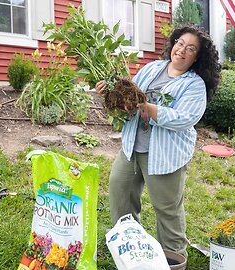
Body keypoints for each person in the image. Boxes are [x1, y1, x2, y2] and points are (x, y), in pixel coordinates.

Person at [95, 24, 221, 259]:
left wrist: (149, 108)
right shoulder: (153, 68)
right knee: (120, 192)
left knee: (166, 208)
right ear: (173, 44)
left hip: (165, 153)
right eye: (180, 43)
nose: (182, 50)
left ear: (197, 58)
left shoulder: (194, 85)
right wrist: (110, 91)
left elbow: (184, 118)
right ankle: (129, 247)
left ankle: (173, 256)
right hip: (133, 146)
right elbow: (129, 95)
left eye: (191, 49)